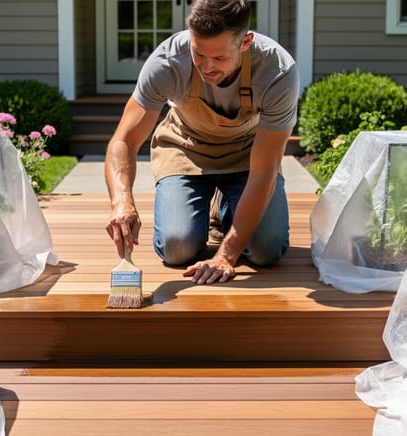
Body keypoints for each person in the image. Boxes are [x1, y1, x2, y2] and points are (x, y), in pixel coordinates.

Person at [104, 0, 300, 285]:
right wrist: (122, 202)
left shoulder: (277, 71)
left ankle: (224, 204)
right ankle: (216, 206)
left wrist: (227, 255)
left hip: (247, 154)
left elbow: (264, 170)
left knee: (266, 250)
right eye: (199, 53)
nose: (207, 67)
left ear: (245, 42)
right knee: (176, 248)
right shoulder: (168, 61)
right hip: (186, 148)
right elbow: (123, 140)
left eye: (219, 57)